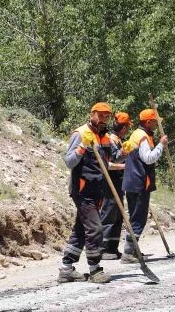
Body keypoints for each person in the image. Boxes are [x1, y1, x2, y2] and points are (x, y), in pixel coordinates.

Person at [58, 102, 116, 284]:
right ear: (92, 114)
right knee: (95, 228)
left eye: (107, 116)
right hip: (82, 190)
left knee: (81, 229)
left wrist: (127, 150)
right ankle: (95, 269)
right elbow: (69, 161)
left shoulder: (105, 137)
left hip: (98, 190)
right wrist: (83, 146)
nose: (104, 119)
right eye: (101, 115)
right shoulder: (81, 133)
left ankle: (66, 269)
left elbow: (110, 162)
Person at [120, 108, 168, 263]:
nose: (156, 124)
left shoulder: (137, 133)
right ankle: (128, 253)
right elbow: (148, 158)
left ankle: (132, 251)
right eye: (155, 122)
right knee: (138, 218)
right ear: (148, 122)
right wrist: (161, 145)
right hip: (139, 182)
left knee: (136, 216)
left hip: (133, 181)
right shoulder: (143, 137)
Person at [100, 112, 132, 259]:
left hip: (119, 183)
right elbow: (110, 163)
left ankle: (112, 248)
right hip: (109, 183)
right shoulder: (110, 140)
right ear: (124, 128)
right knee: (109, 214)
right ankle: (104, 248)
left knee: (118, 215)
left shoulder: (118, 139)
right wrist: (126, 165)